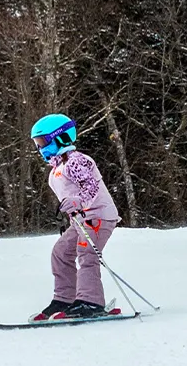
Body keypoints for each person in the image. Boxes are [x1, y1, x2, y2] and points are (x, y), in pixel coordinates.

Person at [28, 114, 123, 321]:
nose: (40, 149)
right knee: (61, 253)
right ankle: (65, 300)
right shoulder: (57, 168)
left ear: (60, 137)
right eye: (37, 144)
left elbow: (91, 187)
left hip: (98, 215)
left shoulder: (76, 160)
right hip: (82, 220)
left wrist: (78, 201)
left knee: (87, 254)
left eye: (43, 142)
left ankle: (91, 301)